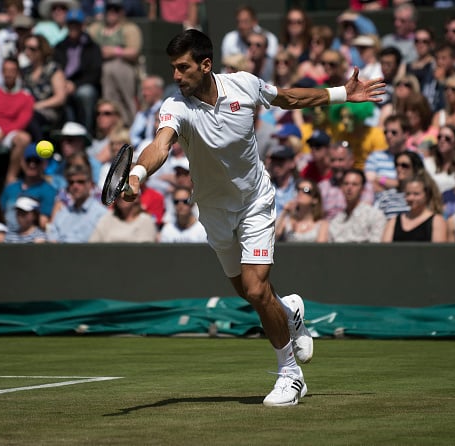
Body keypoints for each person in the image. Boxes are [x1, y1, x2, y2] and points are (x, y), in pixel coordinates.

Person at [125, 29, 384, 406]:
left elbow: (289, 97)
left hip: (255, 202)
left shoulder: (244, 85)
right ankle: (291, 310)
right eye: (173, 69)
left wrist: (344, 93)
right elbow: (160, 145)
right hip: (214, 210)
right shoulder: (175, 107)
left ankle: (290, 376)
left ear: (206, 64)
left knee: (257, 289)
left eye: (183, 68)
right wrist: (137, 174)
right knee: (247, 292)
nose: (177, 76)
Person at [0, 56, 33, 188]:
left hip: (9, 134)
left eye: (12, 70)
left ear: (18, 73)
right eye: (6, 70)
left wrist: (4, 133)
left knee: (24, 139)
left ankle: (11, 178)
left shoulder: (26, 97)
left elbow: (22, 121)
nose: (9, 74)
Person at [88, 0, 143, 126]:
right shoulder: (96, 28)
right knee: (108, 99)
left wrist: (115, 51)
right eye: (109, 9)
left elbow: (134, 51)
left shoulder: (129, 28)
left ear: (122, 12)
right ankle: (111, 125)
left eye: (116, 10)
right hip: (102, 70)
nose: (112, 13)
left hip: (125, 68)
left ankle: (131, 124)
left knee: (126, 98)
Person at [53, 8, 102, 134]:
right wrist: (63, 84)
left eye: (76, 24)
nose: (73, 27)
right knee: (59, 95)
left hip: (83, 85)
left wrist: (75, 85)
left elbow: (95, 73)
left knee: (85, 93)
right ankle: (65, 135)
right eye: (71, 24)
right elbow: (55, 68)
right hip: (62, 84)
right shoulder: (60, 46)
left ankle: (87, 133)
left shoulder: (92, 47)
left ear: (82, 26)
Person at [0, 143, 57, 232]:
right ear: (22, 162)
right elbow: (0, 216)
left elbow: (44, 223)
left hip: (32, 240)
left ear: (44, 164)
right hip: (7, 237)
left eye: (36, 161)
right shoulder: (10, 188)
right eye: (28, 160)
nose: (32, 165)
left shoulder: (49, 191)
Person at [21, 33, 67, 141]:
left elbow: (60, 98)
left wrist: (38, 105)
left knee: (30, 117)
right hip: (28, 109)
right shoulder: (25, 71)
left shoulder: (53, 69)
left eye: (32, 49)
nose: (27, 52)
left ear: (42, 50)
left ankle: (41, 150)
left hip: (48, 111)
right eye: (25, 48)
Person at [47, 164, 107, 242]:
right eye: (71, 182)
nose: (75, 186)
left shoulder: (101, 214)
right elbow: (52, 240)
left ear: (90, 184)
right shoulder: (61, 214)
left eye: (80, 182)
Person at [381, 171, 447, 243]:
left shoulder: (436, 221)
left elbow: (438, 252)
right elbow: (384, 250)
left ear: (427, 195)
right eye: (408, 194)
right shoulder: (393, 222)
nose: (411, 198)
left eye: (416, 194)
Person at [318, 140, 374, 220]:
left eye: (341, 160)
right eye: (333, 160)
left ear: (351, 161)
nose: (336, 165)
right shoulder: (323, 187)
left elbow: (365, 213)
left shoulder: (364, 185)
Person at [328, 168, 386, 243]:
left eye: (354, 184)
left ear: (362, 189)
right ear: (341, 188)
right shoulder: (335, 221)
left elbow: (376, 246)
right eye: (346, 184)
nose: (349, 188)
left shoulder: (374, 216)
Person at [365, 114, 408, 198]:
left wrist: (381, 179)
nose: (388, 136)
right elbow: (370, 184)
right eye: (386, 132)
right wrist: (398, 185)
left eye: (394, 132)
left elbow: (413, 185)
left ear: (406, 134)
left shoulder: (415, 157)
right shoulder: (374, 157)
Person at [89, 193, 157, 242]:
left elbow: (145, 251)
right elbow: (93, 246)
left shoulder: (146, 221)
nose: (121, 196)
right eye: (118, 193)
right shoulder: (106, 219)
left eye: (126, 192)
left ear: (136, 197)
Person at [375, 150, 423, 219]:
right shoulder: (386, 197)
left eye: (404, 165)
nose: (399, 168)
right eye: (396, 165)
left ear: (415, 169)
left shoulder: (423, 196)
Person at [129, 75, 164, 150]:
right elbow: (132, 137)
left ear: (159, 90)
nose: (144, 93)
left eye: (147, 89)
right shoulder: (142, 114)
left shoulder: (167, 111)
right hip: (141, 150)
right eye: (143, 89)